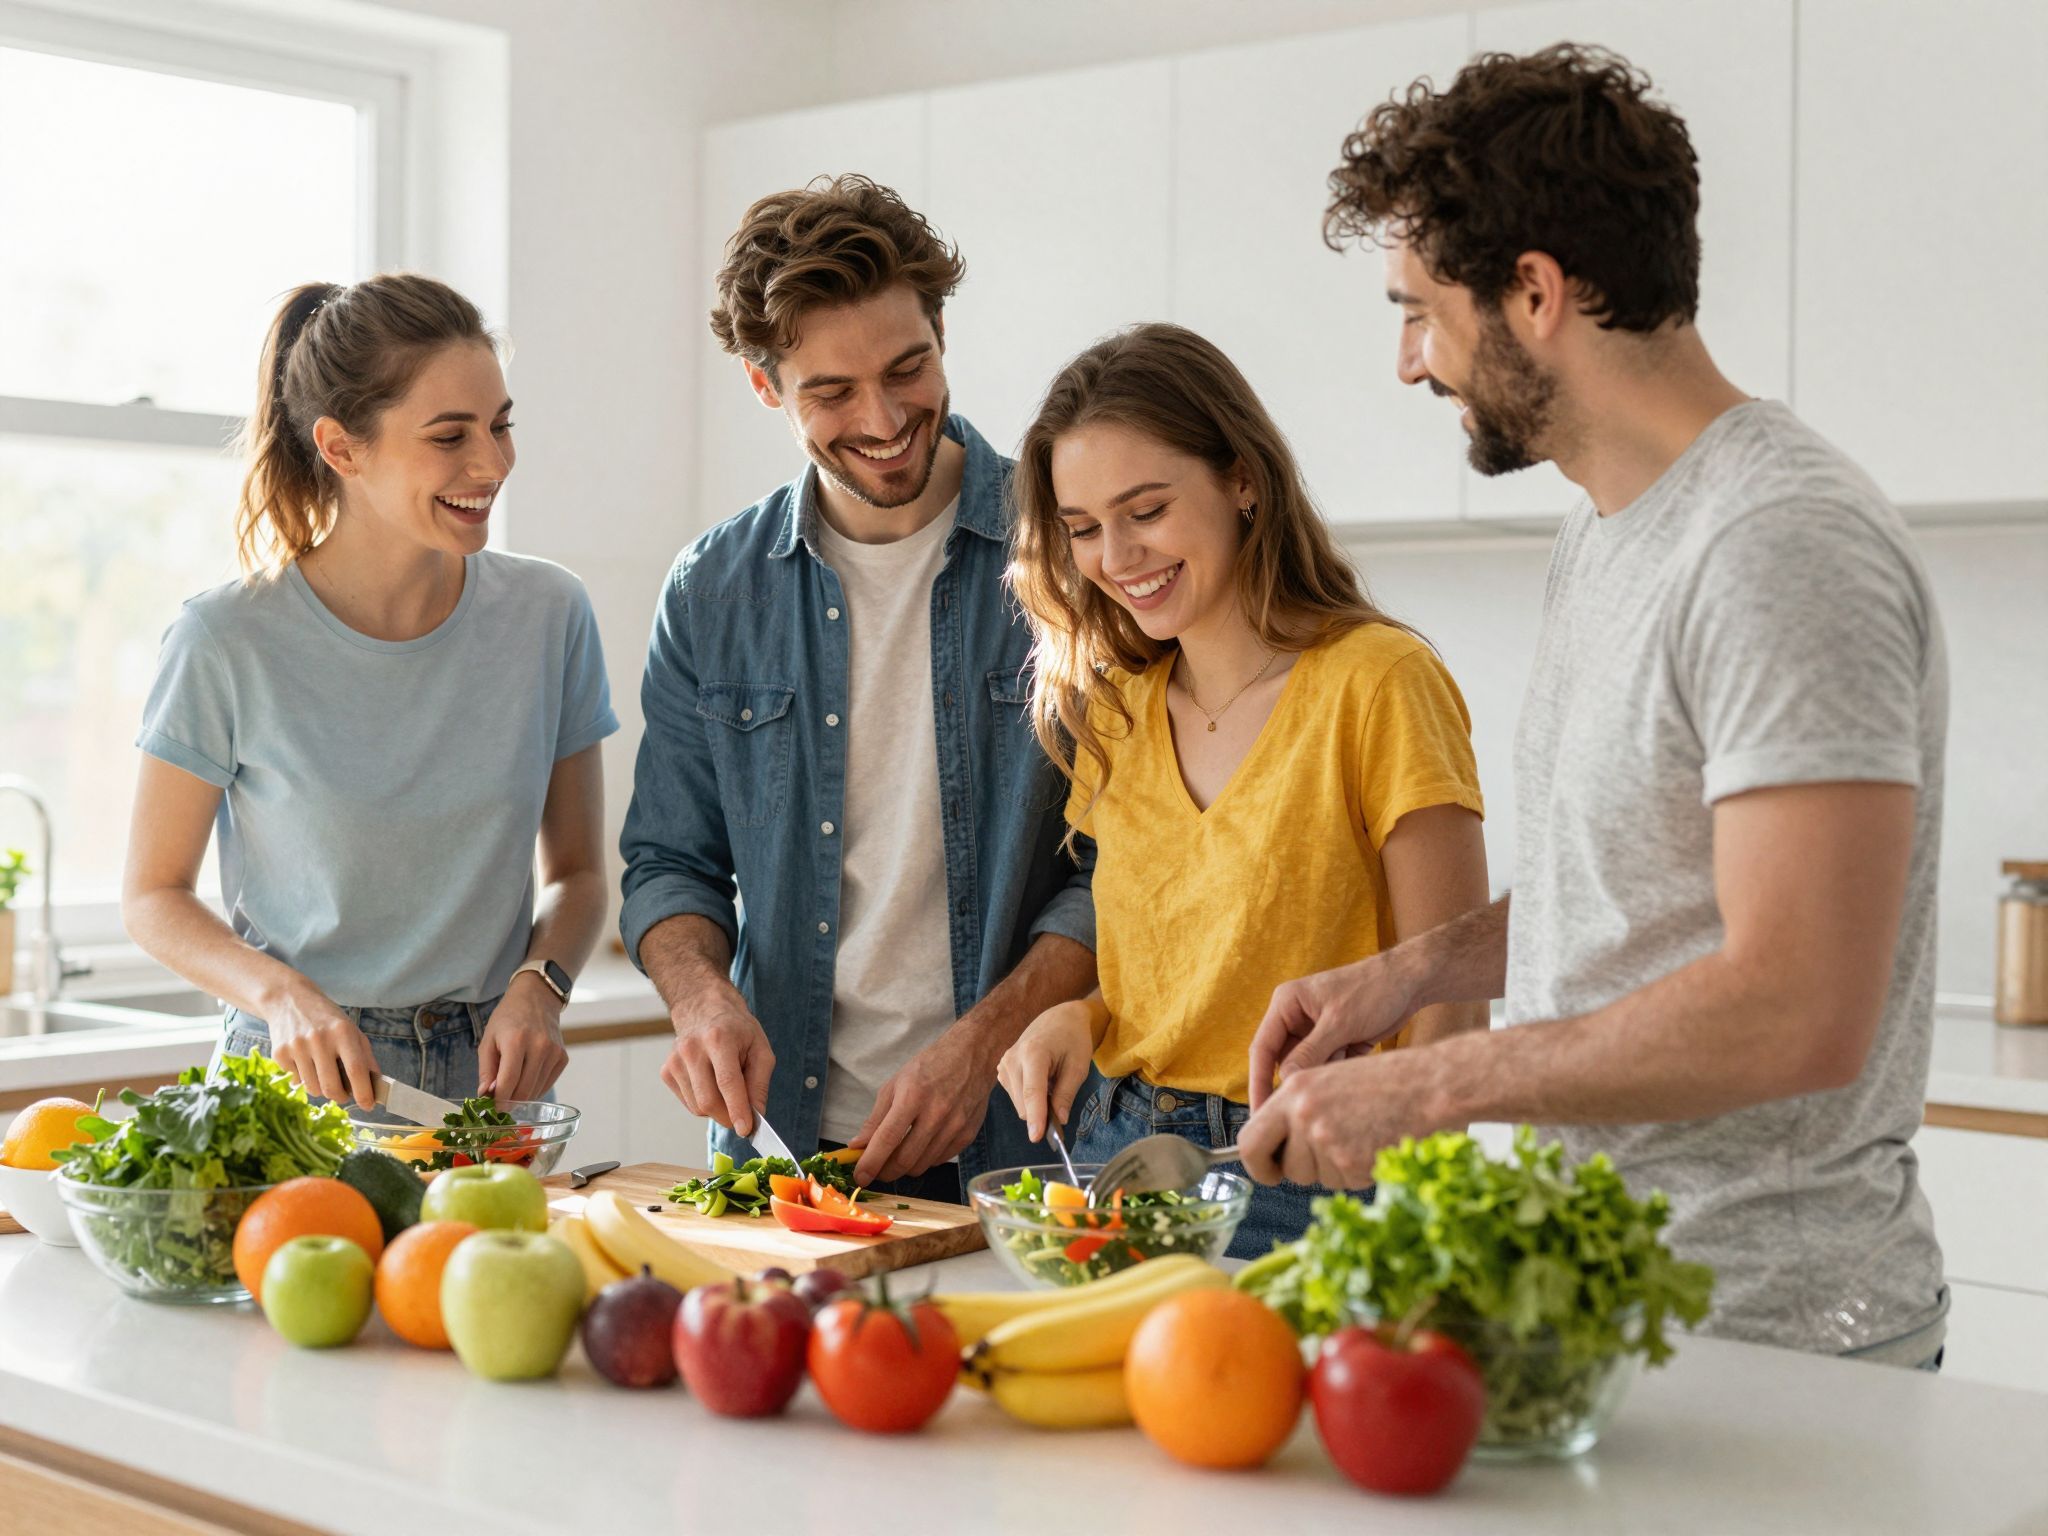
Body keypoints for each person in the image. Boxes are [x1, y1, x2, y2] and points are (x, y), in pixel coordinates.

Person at [1239, 45, 1950, 1366]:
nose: (1409, 363)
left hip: (1775, 1340)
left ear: (1535, 292)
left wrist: (1434, 1084)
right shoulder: (1609, 531)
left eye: (1419, 312)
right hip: (1601, 1313)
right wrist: (1408, 977)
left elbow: (1798, 1003)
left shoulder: (1778, 543)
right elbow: (1640, 892)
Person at [620, 176, 1096, 1202]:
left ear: (941, 337)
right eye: (831, 392)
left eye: (907, 368)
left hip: (1027, 1146)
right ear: (765, 387)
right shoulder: (713, 589)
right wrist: (700, 998)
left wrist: (983, 1043)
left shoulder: (1070, 548)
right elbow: (668, 862)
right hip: (783, 1151)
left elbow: (1124, 867)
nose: (883, 419)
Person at [996, 323, 1490, 1256]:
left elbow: (1453, 1001)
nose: (1116, 556)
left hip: (1315, 1172)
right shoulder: (1117, 710)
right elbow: (1188, 973)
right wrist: (1083, 1015)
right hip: (1116, 1157)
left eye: (1147, 510)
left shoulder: (1378, 683)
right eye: (1084, 529)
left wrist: (1413, 1212)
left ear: (1243, 481)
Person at [125, 274, 617, 1109]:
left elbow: (577, 872)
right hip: (300, 1066)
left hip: (490, 1076)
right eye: (449, 436)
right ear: (341, 448)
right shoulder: (226, 638)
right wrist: (283, 996)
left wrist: (542, 985)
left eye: (500, 425)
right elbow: (151, 896)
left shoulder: (549, 614)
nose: (492, 463)